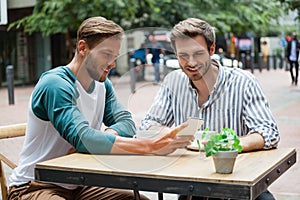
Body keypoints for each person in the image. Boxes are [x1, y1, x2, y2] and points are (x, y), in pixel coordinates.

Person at [8, 16, 192, 200]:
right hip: (34, 185)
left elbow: (126, 123)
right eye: (106, 54)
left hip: (79, 185)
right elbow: (83, 138)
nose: (112, 64)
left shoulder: (102, 85)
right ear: (82, 48)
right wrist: (151, 145)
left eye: (115, 56)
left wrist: (103, 138)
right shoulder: (56, 84)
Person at [140, 18, 280, 200]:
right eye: (183, 55)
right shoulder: (172, 83)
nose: (191, 62)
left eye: (198, 53)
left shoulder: (243, 82)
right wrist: (173, 134)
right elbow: (147, 126)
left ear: (211, 49)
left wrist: (230, 145)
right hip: (193, 186)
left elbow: (269, 132)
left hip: (237, 182)